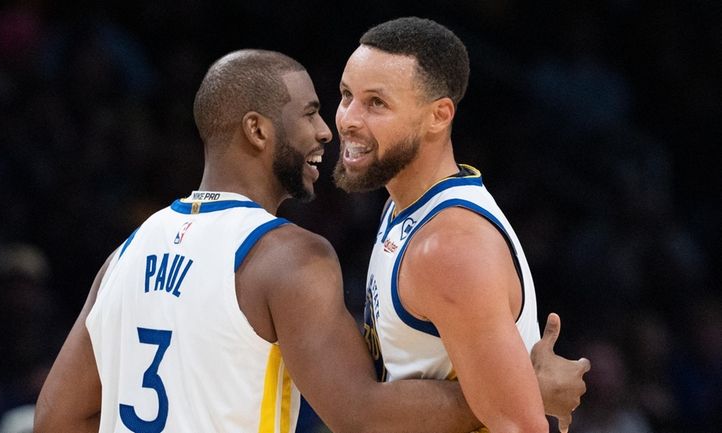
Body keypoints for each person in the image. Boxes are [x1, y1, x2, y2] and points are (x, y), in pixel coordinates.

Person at [34, 49, 585, 433]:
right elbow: (364, 417)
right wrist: (522, 389)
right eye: (312, 112)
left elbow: (57, 420)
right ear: (257, 131)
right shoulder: (288, 257)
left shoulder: (125, 254)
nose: (328, 130)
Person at [333, 17, 590, 433]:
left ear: (438, 116)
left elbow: (522, 426)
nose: (348, 118)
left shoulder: (449, 246)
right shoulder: (405, 208)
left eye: (376, 103)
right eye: (347, 95)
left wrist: (526, 392)